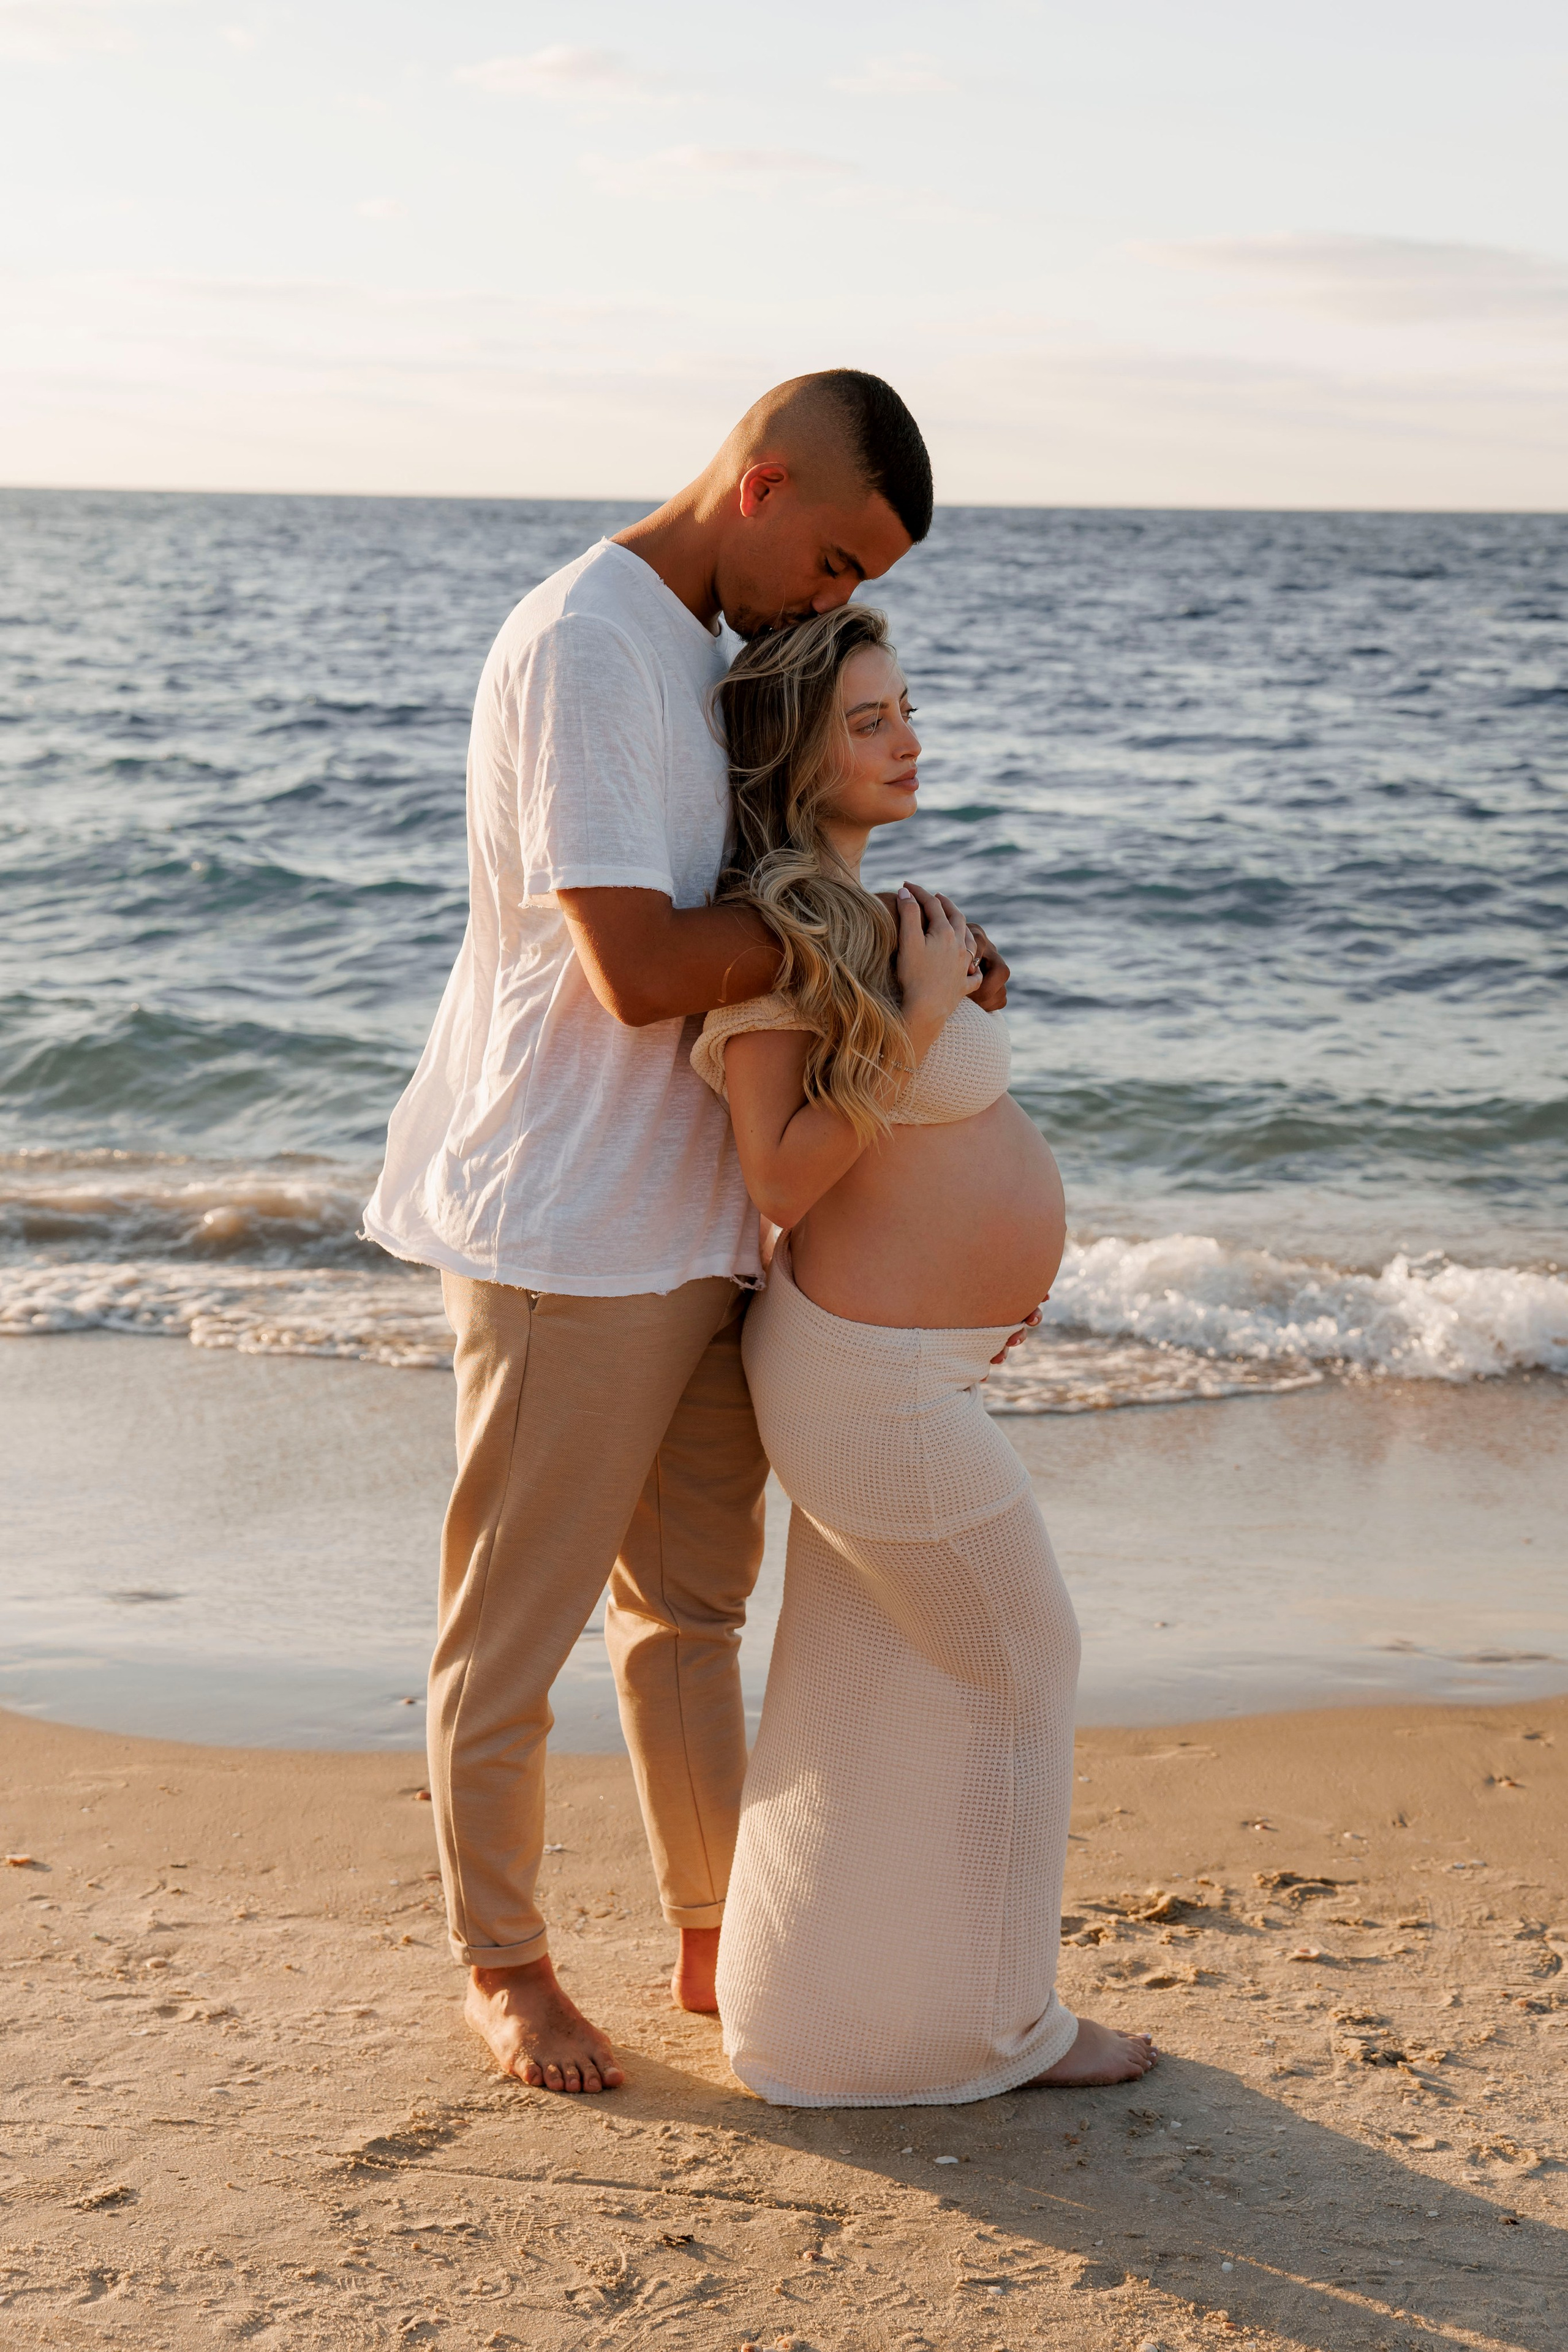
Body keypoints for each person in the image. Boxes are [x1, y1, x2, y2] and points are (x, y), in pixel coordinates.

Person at [363, 371, 1013, 2095]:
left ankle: (718, 1938)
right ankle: (502, 1966)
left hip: (699, 1225)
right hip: (567, 1224)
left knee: (686, 1617)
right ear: (761, 479)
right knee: (512, 1627)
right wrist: (856, 934)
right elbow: (638, 968)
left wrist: (873, 945)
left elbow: (764, 907)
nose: (836, 601)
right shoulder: (589, 639)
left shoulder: (693, 655)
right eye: (834, 557)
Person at [690, 604, 1158, 2100]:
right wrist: (918, 1011)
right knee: (1025, 1660)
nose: (909, 740)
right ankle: (1006, 2026)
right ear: (794, 752)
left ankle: (818, 2018)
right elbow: (779, 1175)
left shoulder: (858, 908)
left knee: (870, 1687)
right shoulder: (770, 930)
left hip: (901, 1373)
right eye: (870, 720)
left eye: (907, 710)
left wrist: (930, 982)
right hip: (868, 1389)